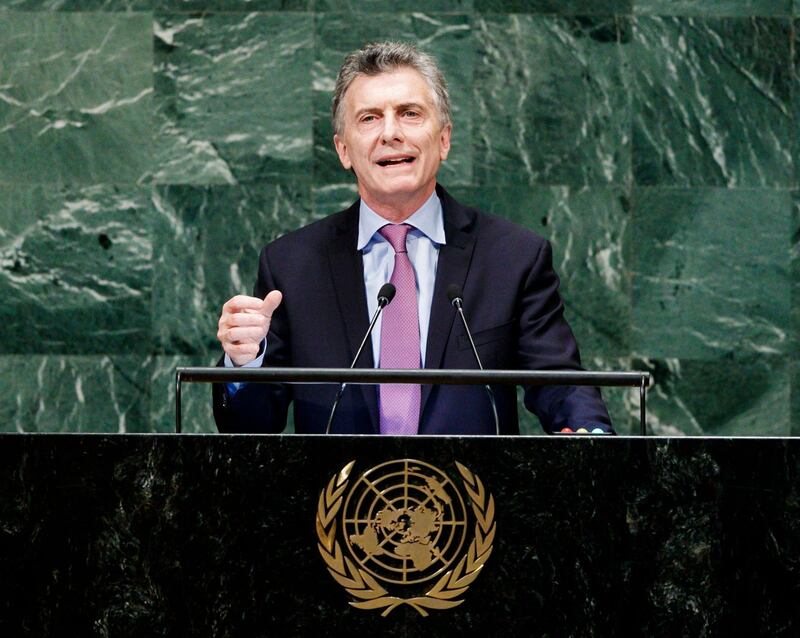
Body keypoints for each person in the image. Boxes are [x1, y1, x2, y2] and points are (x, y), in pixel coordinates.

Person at [213, 41, 612, 435]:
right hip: (341, 497)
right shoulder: (291, 265)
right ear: (343, 150)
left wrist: (589, 433)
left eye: (409, 113)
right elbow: (250, 428)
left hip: (468, 497)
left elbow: (560, 382)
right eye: (369, 118)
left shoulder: (512, 257)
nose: (390, 133)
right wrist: (245, 363)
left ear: (443, 140)